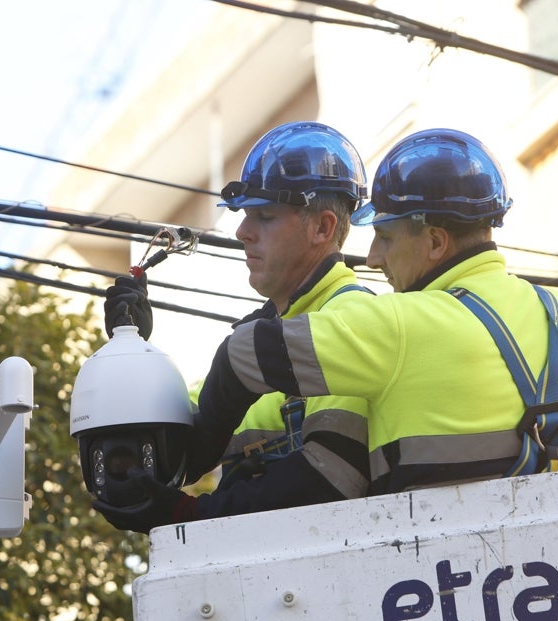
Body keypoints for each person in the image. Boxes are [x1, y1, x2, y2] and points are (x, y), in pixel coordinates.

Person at [126, 127, 558, 521]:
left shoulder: (400, 322)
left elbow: (247, 354)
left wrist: (184, 497)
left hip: (430, 592)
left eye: (387, 237)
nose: (372, 259)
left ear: (435, 242)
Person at [93, 121, 376, 533]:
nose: (243, 232)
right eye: (245, 216)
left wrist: (191, 516)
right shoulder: (256, 340)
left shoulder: (352, 320)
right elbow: (174, 460)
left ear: (323, 227)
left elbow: (329, 479)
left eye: (264, 216)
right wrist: (136, 358)